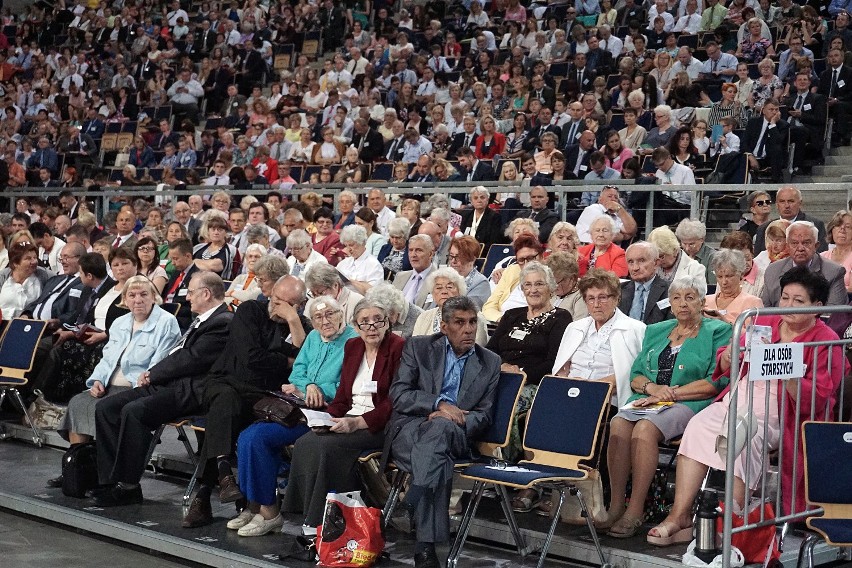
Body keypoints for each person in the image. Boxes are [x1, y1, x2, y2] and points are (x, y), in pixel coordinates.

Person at [648, 268, 845, 545]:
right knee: (698, 427)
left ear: (818, 307)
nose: (787, 305)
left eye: (798, 301)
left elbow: (820, 397)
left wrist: (788, 373)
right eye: (785, 298)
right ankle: (679, 516)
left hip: (781, 413)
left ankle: (732, 522)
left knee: (741, 438)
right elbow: (729, 359)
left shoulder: (826, 340)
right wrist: (728, 357)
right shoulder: (764, 322)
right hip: (739, 399)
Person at [603, 276, 731, 538]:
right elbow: (636, 374)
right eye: (676, 298)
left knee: (645, 429)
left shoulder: (718, 330)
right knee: (618, 423)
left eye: (690, 297)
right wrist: (653, 390)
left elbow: (715, 381)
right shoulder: (657, 330)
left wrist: (670, 394)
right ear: (670, 303)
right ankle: (615, 506)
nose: (683, 304)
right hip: (651, 399)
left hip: (691, 401)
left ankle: (635, 510)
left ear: (701, 301)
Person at [91, 272, 233, 506]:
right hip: (171, 383)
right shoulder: (204, 319)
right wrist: (155, 374)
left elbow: (192, 358)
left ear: (206, 294)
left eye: (191, 292)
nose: (187, 298)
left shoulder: (222, 322)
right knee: (106, 407)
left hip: (191, 390)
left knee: (134, 411)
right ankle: (109, 481)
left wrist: (153, 372)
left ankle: (128, 486)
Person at [182, 276, 312, 528]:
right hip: (226, 381)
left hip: (261, 394)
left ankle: (214, 487)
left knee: (229, 413)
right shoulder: (250, 310)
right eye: (275, 300)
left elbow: (303, 361)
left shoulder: (299, 324)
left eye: (286, 304)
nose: (277, 308)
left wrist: (293, 320)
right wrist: (284, 361)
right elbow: (250, 357)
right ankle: (220, 477)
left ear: (299, 305)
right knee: (226, 402)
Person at [383, 296, 501, 568]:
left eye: (472, 322)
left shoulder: (490, 361)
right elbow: (399, 394)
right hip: (411, 428)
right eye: (460, 323)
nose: (469, 329)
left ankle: (412, 501)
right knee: (437, 458)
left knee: (439, 430)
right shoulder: (419, 347)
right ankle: (425, 549)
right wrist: (439, 404)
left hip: (456, 434)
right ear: (444, 326)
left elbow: (484, 415)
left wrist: (452, 419)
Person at [226, 296, 358, 536]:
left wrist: (318, 390)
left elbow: (347, 385)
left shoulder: (353, 342)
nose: (325, 320)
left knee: (258, 438)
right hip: (300, 405)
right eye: (318, 317)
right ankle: (253, 504)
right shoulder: (313, 338)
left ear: (341, 314)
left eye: (330, 314)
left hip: (327, 412)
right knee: (247, 435)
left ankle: (269, 513)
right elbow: (297, 370)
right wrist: (307, 385)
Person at [277, 298, 405, 537]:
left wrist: (357, 422)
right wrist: (325, 418)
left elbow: (395, 400)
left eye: (378, 320)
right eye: (364, 322)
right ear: (355, 327)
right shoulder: (353, 346)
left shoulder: (398, 347)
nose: (372, 327)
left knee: (329, 445)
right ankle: (307, 513)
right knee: (307, 441)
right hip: (349, 415)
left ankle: (321, 523)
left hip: (379, 423)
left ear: (387, 323)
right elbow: (344, 395)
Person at [51, 276, 181, 487]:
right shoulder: (120, 323)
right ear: (125, 300)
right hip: (109, 385)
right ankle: (77, 468)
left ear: (154, 297)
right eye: (132, 295)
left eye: (143, 294)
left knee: (105, 408)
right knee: (78, 403)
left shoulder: (167, 323)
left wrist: (139, 384)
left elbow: (160, 363)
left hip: (137, 388)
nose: (137, 300)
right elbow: (107, 359)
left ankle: (106, 475)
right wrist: (97, 381)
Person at [487, 261, 572, 463]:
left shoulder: (561, 317)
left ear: (551, 288)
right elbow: (490, 351)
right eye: (528, 285)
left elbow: (553, 361)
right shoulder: (511, 315)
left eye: (539, 284)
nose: (533, 290)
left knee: (509, 403)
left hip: (533, 382)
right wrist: (501, 368)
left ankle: (508, 462)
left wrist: (522, 374)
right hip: (500, 377)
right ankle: (481, 455)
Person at [554, 268, 646, 408]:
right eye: (591, 298)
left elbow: (628, 375)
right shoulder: (575, 328)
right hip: (568, 394)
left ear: (616, 298)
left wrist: (587, 388)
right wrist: (570, 387)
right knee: (535, 413)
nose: (596, 304)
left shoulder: (635, 329)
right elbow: (561, 370)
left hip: (606, 400)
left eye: (602, 297)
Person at [760, 221, 847, 307]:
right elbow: (765, 312)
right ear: (787, 246)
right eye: (794, 243)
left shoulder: (834, 272)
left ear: (816, 246)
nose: (800, 248)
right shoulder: (772, 270)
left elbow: (833, 315)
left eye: (806, 243)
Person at [413, 267, 489, 344]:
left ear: (460, 291)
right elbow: (414, 346)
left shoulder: (475, 317)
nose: (444, 292)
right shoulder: (424, 316)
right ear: (432, 293)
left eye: (449, 287)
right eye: (439, 288)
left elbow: (477, 349)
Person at [482, 235, 545, 323]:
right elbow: (489, 306)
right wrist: (504, 320)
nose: (527, 264)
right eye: (521, 260)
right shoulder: (511, 271)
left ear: (541, 256)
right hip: (503, 325)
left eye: (531, 258)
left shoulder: (549, 277)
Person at [754, 187, 828, 255]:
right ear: (776, 204)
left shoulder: (815, 225)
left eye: (791, 201)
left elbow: (821, 255)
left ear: (800, 203)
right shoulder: (763, 228)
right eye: (782, 201)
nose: (786, 206)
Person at [703, 249, 764, 324]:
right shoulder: (705, 301)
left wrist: (726, 324)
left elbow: (755, 334)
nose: (724, 282)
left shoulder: (753, 302)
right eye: (720, 276)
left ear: (741, 275)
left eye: (729, 276)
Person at [620, 241, 672, 325]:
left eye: (641, 261)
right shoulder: (618, 290)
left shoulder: (670, 291)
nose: (635, 268)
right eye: (630, 262)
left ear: (656, 263)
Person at [0, 242, 44, 318]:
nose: (34, 261)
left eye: (35, 257)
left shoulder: (45, 276)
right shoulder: (2, 277)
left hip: (32, 325)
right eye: (28, 258)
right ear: (15, 263)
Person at [337, 225, 384, 294]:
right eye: (346, 245)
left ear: (363, 243)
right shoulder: (343, 263)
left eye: (352, 245)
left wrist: (350, 281)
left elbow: (375, 292)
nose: (349, 249)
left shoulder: (374, 265)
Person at [448, 235, 489, 309]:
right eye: (451, 256)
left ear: (472, 259)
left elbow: (467, 311)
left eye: (458, 257)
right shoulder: (445, 277)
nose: (453, 261)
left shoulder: (481, 283)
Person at [720, 231, 765, 299]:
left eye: (747, 258)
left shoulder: (764, 279)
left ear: (752, 253)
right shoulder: (724, 275)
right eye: (738, 260)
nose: (744, 263)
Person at [458, 186, 504, 251]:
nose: (479, 200)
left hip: (484, 252)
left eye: (482, 197)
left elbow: (494, 241)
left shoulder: (495, 217)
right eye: (475, 198)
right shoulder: (466, 215)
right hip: (465, 251)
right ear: (471, 201)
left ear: (487, 199)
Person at [676, 219, 717, 287]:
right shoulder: (678, 254)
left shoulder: (713, 257)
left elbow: (712, 287)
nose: (687, 248)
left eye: (691, 244)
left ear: (702, 239)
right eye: (684, 243)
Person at [821, 210, 852, 291]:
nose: (842, 229)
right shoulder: (821, 257)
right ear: (832, 230)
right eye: (838, 225)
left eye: (848, 226)